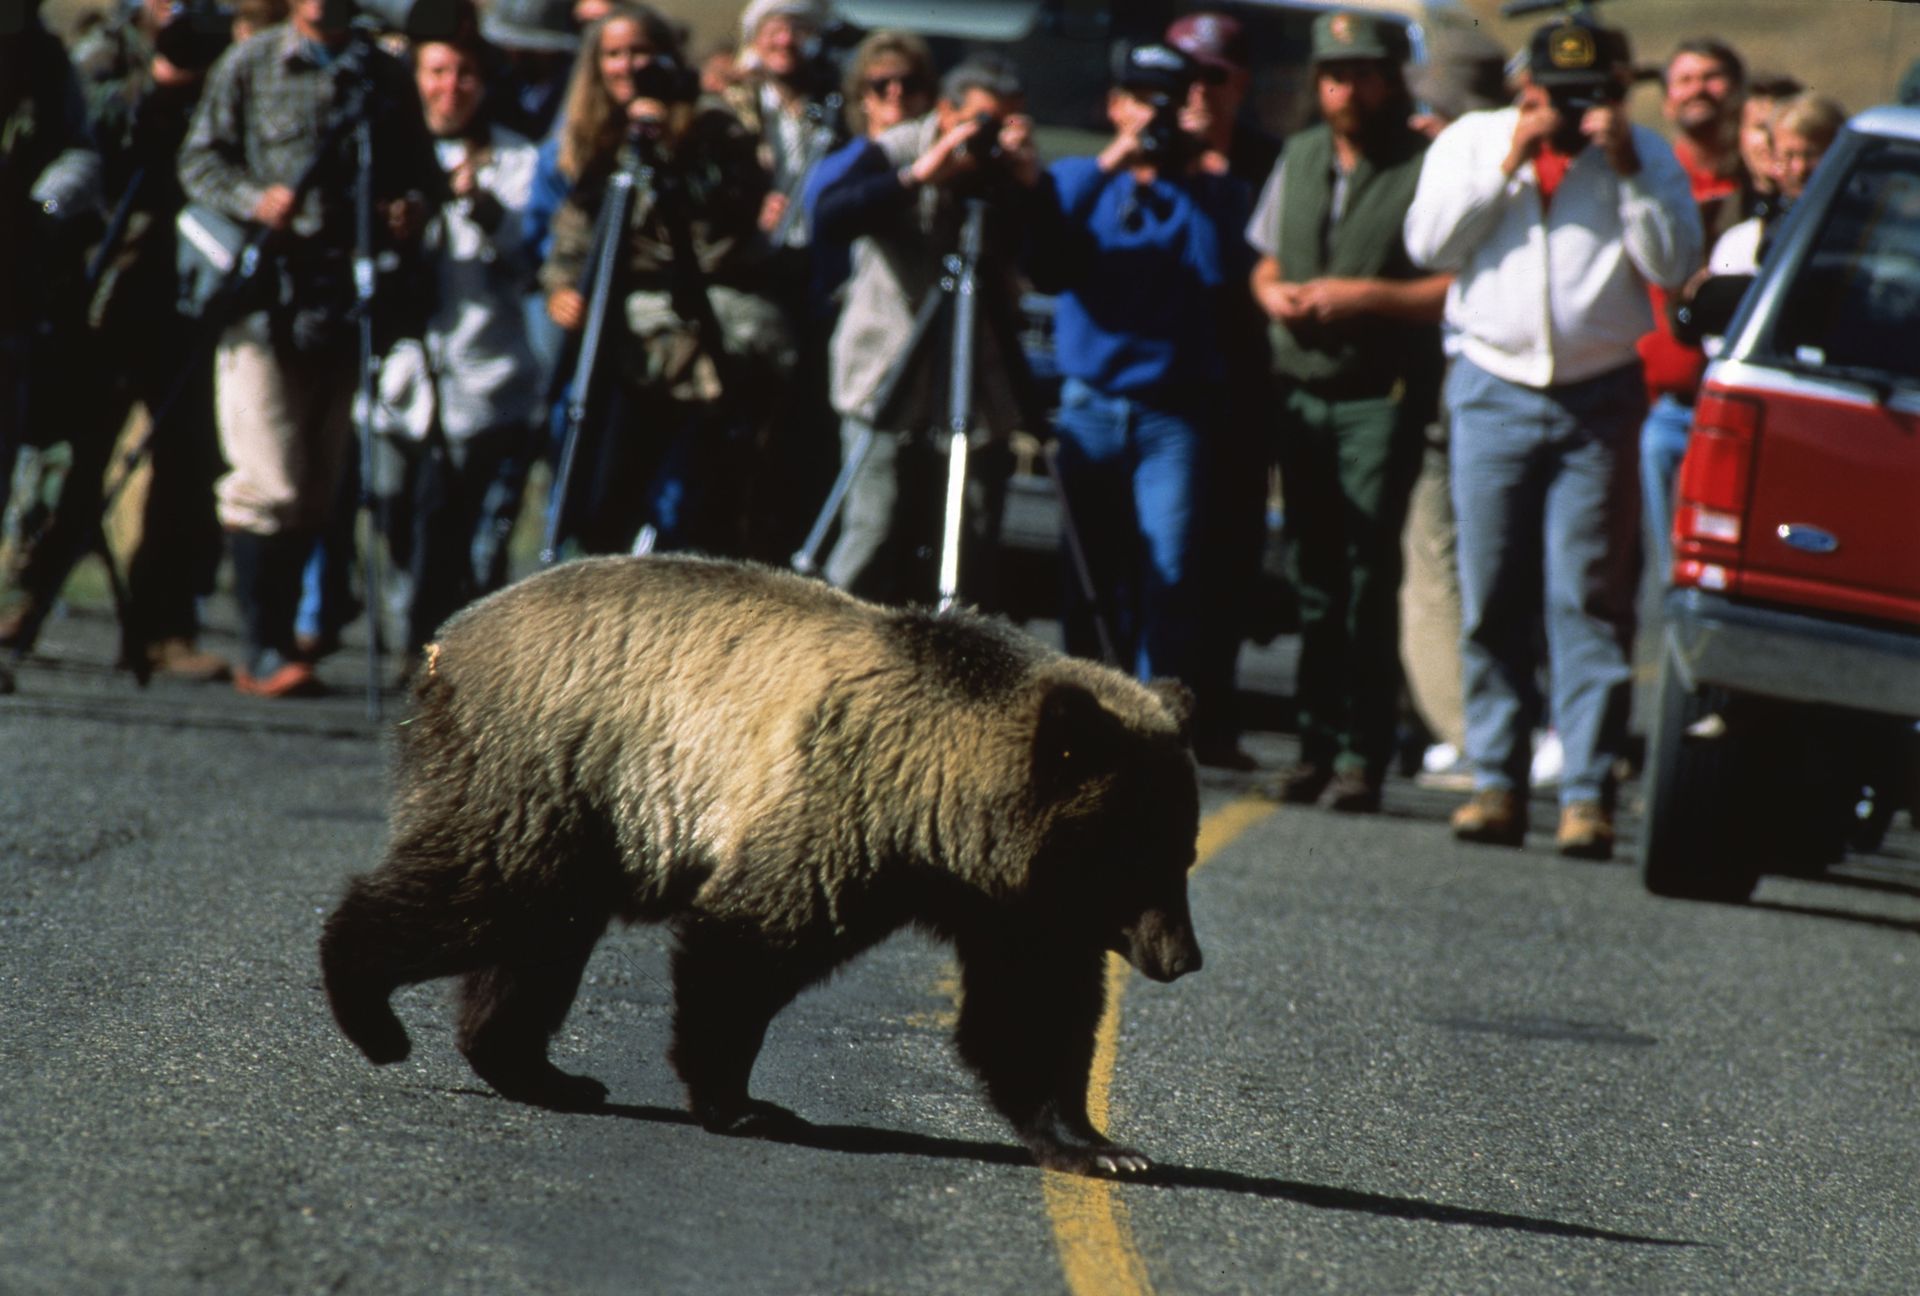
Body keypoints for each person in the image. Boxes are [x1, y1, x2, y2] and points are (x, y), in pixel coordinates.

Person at [1403, 13, 1702, 858]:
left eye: (1588, 94)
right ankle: (1495, 775)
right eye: (1553, 93)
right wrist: (1508, 159)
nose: (1568, 110)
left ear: (1614, 94)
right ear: (1523, 87)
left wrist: (1629, 168)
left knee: (1588, 599)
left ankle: (1585, 788)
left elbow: (1674, 266)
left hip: (1597, 396)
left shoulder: (1644, 155)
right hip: (1491, 387)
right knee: (1491, 588)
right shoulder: (1472, 140)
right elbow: (1429, 245)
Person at [177, 0, 443, 697]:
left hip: (345, 299)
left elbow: (422, 170)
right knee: (269, 477)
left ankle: (290, 639)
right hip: (268, 297)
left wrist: (409, 206)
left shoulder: (382, 74)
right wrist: (251, 198)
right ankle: (258, 645)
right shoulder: (253, 63)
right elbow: (199, 160)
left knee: (318, 484)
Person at [1246, 11, 1448, 813]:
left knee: (1369, 575)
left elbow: (1452, 286)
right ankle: (1312, 747)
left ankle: (1365, 754)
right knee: (1314, 580)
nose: (1346, 89)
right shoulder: (1297, 157)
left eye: (1363, 74)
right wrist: (1274, 296)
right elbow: (1263, 257)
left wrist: (1363, 296)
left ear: (1391, 79)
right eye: (1334, 75)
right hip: (1301, 389)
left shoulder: (1426, 162)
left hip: (1378, 394)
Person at [0, 0, 229, 680]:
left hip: (186, 287)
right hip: (97, 292)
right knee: (73, 454)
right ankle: (26, 596)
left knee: (187, 461)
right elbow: (82, 139)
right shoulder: (101, 48)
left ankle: (166, 626)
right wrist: (152, 90)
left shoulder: (226, 52)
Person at [1029, 40, 1253, 690]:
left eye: (1165, 106)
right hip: (1090, 402)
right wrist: (1113, 163)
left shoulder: (1214, 189)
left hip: (1171, 412)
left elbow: (1216, 272)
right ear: (1115, 105)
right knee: (1089, 573)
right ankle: (1087, 710)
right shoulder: (1076, 177)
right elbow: (1046, 254)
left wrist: (1185, 174)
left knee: (1171, 569)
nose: (1150, 119)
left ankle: (1155, 717)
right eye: (1139, 104)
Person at [539, 16, 790, 557]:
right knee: (605, 493)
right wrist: (562, 284)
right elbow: (574, 229)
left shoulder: (713, 127)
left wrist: (666, 144)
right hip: (625, 341)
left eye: (641, 52)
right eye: (614, 54)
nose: (628, 66)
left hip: (710, 329)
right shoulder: (595, 135)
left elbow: (732, 215)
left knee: (698, 504)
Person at [811, 53, 1040, 607]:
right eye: (979, 121)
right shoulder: (895, 150)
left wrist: (1030, 184)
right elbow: (829, 216)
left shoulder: (1010, 175)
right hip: (887, 369)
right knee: (874, 522)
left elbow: (1054, 260)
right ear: (946, 110)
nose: (987, 139)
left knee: (971, 531)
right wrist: (919, 175)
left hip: (975, 378)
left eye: (1002, 123)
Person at [367, 29, 542, 666]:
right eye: (436, 72)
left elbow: (529, 257)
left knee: (455, 519)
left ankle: (442, 652)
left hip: (481, 369)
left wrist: (479, 203)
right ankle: (400, 626)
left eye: (465, 73)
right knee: (392, 509)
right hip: (396, 369)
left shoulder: (514, 157)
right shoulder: (384, 151)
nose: (451, 87)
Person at [1165, 10, 1279, 770]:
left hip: (1240, 387)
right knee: (1159, 559)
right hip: (1161, 385)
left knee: (1229, 553)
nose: (1199, 94)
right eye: (1185, 77)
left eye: (1214, 77)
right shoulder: (1146, 157)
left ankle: (1215, 714)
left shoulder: (1271, 161)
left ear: (1240, 85)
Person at [1397, 25, 1509, 789]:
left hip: (1476, 387)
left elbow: (1439, 260)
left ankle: (1477, 735)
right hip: (1445, 390)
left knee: (1455, 562)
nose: (1420, 121)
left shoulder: (1478, 158)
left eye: (1432, 107)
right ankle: (1467, 727)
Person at [1636, 37, 1747, 588]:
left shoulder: (1757, 186)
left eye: (1713, 76)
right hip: (1651, 408)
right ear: (1665, 102)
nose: (1698, 89)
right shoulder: (1649, 177)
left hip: (1733, 408)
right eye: (1684, 79)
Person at [1707, 91, 1846, 276]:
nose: (1800, 169)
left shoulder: (1868, 226)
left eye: (1812, 155)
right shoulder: (1743, 242)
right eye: (1789, 156)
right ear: (1773, 157)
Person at [478, 0, 580, 142]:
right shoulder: (500, 87)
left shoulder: (576, 88)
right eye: (513, 46)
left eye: (530, 49)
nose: (517, 54)